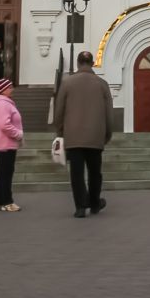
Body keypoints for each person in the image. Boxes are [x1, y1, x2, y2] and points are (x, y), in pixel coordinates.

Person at [49, 50, 114, 218]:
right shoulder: (102, 84)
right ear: (92, 63)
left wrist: (60, 130)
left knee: (76, 174)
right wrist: (107, 133)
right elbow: (109, 113)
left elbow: (59, 111)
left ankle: (80, 207)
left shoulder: (67, 83)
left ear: (78, 63)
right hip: (95, 136)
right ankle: (94, 203)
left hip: (73, 137)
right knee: (95, 173)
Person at [0, 77, 23, 212]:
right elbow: (5, 125)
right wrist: (18, 134)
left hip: (3, 142)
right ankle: (7, 202)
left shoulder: (1, 102)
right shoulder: (3, 104)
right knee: (6, 172)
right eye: (9, 87)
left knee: (3, 172)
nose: (12, 89)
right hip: (6, 142)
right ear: (3, 90)